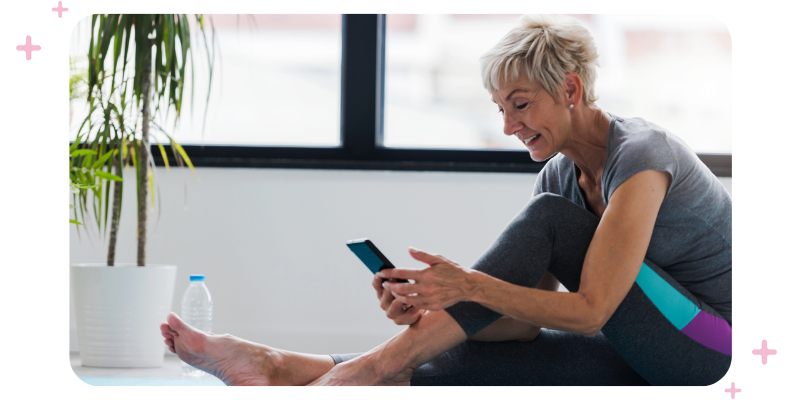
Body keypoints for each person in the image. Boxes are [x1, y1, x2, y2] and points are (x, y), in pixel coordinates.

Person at [160, 14, 731, 386]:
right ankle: (282, 365)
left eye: (521, 104)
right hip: (641, 353)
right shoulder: (560, 177)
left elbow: (592, 309)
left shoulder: (641, 155)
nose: (508, 125)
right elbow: (524, 324)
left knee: (548, 224)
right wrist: (438, 312)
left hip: (712, 349)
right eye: (499, 109)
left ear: (571, 89)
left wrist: (468, 287)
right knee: (468, 362)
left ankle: (365, 369)